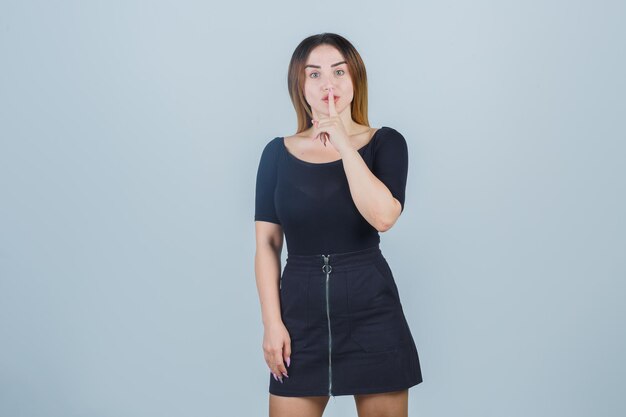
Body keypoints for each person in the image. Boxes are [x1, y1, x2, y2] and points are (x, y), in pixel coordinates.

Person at [254, 33, 423, 417]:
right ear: (300, 85)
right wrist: (271, 324)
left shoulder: (385, 143)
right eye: (314, 74)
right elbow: (266, 244)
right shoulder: (276, 153)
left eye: (339, 71)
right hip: (299, 318)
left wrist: (344, 143)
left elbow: (383, 216)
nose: (327, 83)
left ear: (355, 79)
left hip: (373, 314)